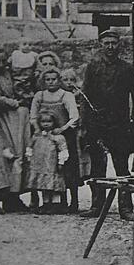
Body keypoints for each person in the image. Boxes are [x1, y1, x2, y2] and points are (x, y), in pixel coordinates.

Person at [79, 30, 134, 220]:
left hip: (120, 124)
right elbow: (84, 97)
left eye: (114, 43)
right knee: (97, 167)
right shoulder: (92, 67)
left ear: (119, 45)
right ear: (101, 44)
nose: (110, 47)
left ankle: (125, 208)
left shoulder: (127, 68)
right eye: (106, 43)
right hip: (97, 123)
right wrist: (84, 124)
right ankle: (97, 206)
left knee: (122, 167)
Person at [0, 45, 31, 212]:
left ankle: (15, 195)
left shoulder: (8, 72)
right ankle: (3, 196)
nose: (2, 63)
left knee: (20, 152)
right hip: (1, 118)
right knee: (6, 155)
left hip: (15, 118)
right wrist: (13, 102)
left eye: (4, 60)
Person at [29, 67, 79, 212]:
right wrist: (38, 129)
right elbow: (33, 116)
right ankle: (48, 203)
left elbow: (74, 117)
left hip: (64, 136)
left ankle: (71, 202)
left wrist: (62, 129)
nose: (51, 82)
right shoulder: (39, 95)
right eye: (47, 79)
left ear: (59, 80)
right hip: (44, 137)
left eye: (54, 79)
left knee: (66, 169)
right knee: (46, 167)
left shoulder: (66, 95)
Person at [25, 111, 69, 213]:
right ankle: (45, 204)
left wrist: (61, 162)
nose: (46, 124)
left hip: (52, 166)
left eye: (49, 121)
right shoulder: (36, 136)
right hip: (40, 165)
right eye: (43, 121)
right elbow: (30, 148)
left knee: (54, 185)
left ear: (54, 122)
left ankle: (55, 205)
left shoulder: (58, 137)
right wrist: (29, 158)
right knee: (44, 186)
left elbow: (63, 150)